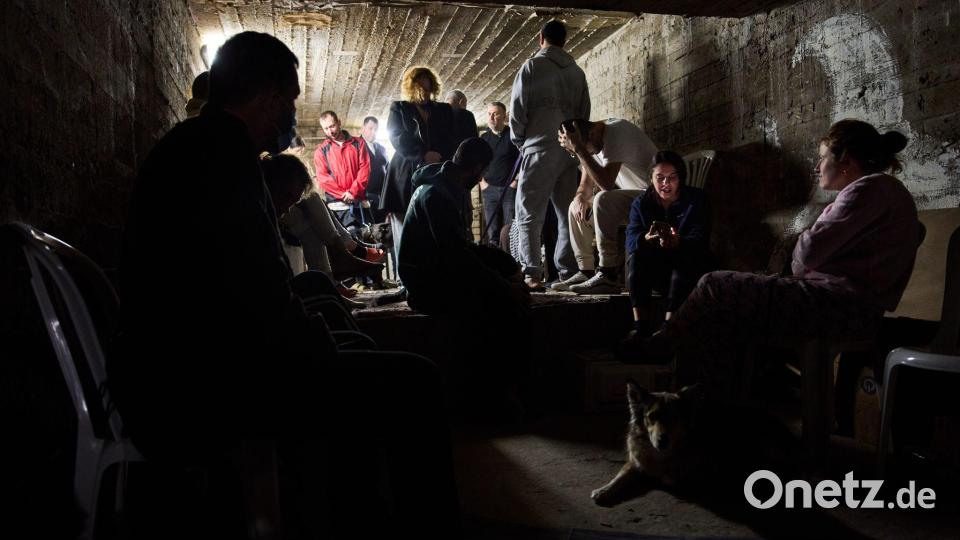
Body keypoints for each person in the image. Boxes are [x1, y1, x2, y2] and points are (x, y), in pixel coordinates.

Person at [113, 31, 460, 538]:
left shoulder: (195, 146)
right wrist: (324, 344)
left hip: (180, 361)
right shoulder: (224, 160)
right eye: (289, 103)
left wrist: (320, 327)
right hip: (198, 385)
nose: (287, 119)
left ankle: (354, 508)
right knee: (416, 381)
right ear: (271, 98)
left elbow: (244, 285)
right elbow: (260, 303)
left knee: (338, 334)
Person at [619, 119, 919, 401]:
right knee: (728, 315)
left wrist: (804, 241)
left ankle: (664, 345)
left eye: (823, 157)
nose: (817, 166)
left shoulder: (865, 191)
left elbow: (805, 257)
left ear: (847, 161)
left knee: (714, 284)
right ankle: (714, 404)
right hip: (849, 305)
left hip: (837, 306)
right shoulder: (883, 193)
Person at [399, 137, 531, 415]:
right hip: (426, 286)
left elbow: (461, 248)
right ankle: (495, 394)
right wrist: (506, 287)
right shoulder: (437, 197)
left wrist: (506, 265)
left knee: (499, 278)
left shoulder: (443, 184)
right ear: (477, 169)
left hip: (436, 271)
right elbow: (458, 258)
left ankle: (501, 389)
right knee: (500, 305)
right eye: (482, 173)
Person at [510, 19, 590, 290]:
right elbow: (584, 114)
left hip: (538, 147)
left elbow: (518, 111)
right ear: (564, 41)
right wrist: (574, 146)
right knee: (566, 214)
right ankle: (566, 272)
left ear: (540, 38)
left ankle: (532, 273)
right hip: (569, 152)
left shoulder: (531, 66)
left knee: (529, 214)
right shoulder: (577, 73)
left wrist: (521, 141)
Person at [551, 117, 659, 294]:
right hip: (633, 200)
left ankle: (608, 274)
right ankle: (586, 271)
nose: (580, 154)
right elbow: (585, 187)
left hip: (654, 198)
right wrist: (580, 197)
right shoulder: (593, 142)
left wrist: (578, 148)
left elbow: (606, 184)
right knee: (575, 206)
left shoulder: (617, 132)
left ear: (591, 134)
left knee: (603, 198)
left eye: (580, 149)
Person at [623, 151, 713, 337]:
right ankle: (640, 325)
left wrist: (679, 242)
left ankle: (668, 327)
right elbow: (631, 239)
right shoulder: (641, 203)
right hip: (655, 269)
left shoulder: (696, 200)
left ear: (681, 178)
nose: (666, 184)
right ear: (651, 179)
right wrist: (646, 239)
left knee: (684, 260)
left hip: (687, 267)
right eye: (660, 178)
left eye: (672, 178)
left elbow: (701, 238)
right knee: (636, 257)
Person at [380, 66, 461, 268]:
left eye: (428, 87)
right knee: (403, 224)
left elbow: (451, 137)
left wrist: (438, 156)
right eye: (420, 88)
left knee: (433, 220)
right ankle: (405, 278)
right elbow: (397, 136)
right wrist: (422, 154)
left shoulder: (443, 109)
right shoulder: (398, 108)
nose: (424, 92)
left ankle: (434, 272)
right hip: (404, 171)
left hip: (435, 170)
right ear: (411, 88)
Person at [314, 110, 371, 230]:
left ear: (339, 122)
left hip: (360, 201)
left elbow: (365, 169)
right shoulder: (321, 151)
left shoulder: (359, 143)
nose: (330, 131)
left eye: (332, 126)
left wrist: (353, 192)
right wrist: (344, 194)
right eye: (326, 128)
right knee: (351, 242)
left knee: (371, 236)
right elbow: (323, 179)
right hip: (338, 206)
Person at [480, 101, 520, 247]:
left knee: (510, 229)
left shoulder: (513, 136)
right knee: (493, 232)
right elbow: (478, 162)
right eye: (489, 114)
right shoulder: (484, 138)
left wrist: (516, 181)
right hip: (489, 190)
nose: (491, 117)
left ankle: (511, 263)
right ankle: (495, 264)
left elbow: (523, 159)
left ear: (504, 116)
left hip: (509, 189)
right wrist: (482, 183)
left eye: (495, 114)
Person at [361, 116, 389, 222]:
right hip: (366, 197)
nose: (373, 132)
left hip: (383, 196)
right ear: (363, 128)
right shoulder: (355, 147)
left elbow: (388, 170)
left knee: (386, 229)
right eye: (370, 128)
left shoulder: (382, 148)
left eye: (376, 129)